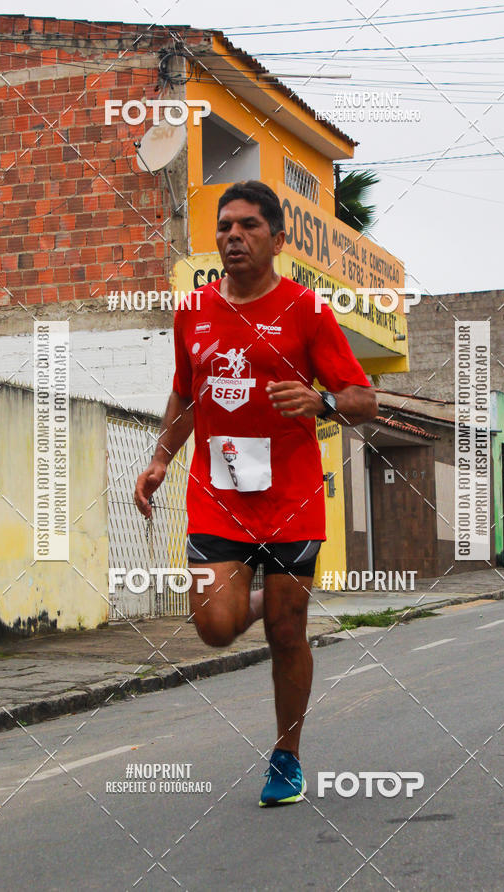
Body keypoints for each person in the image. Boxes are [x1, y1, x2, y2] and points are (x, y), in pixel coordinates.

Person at [134, 180, 377, 806]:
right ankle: (272, 595)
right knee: (213, 626)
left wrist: (320, 399)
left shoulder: (307, 311)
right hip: (217, 492)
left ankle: (287, 756)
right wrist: (161, 457)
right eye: (224, 227)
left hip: (291, 496)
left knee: (287, 636)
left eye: (247, 226)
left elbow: (363, 399)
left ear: (277, 238)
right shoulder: (193, 310)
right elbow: (187, 394)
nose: (232, 237)